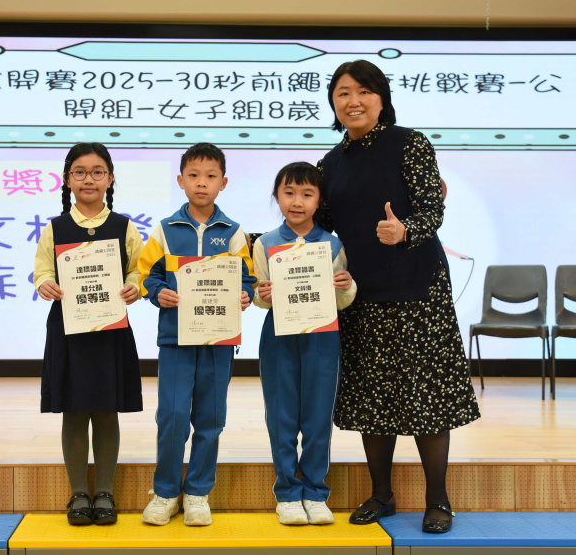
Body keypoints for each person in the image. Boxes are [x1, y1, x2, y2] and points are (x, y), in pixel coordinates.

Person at [316, 60, 480, 534]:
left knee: (426, 396)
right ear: (333, 102)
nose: (354, 101)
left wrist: (405, 229)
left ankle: (438, 500)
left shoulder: (410, 143)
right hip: (360, 293)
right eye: (343, 93)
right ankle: (381, 494)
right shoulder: (329, 164)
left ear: (382, 99)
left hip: (418, 289)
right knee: (372, 398)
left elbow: (432, 208)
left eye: (364, 91)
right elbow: (319, 226)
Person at [137, 143, 257, 526]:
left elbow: (248, 278)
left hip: (219, 340)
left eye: (210, 176)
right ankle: (165, 493)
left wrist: (245, 294)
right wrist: (158, 292)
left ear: (223, 182)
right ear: (180, 180)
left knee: (211, 418)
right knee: (172, 417)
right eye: (193, 175)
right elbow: (146, 275)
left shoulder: (234, 233)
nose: (201, 183)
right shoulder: (164, 230)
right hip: (175, 340)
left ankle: (198, 493)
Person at [33, 142, 144, 526]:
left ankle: (105, 493)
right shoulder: (55, 227)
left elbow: (139, 271)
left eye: (98, 172)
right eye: (79, 172)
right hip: (69, 330)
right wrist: (45, 284)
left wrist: (134, 286)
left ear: (110, 179)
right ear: (67, 180)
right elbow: (42, 271)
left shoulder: (124, 226)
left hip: (110, 329)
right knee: (75, 409)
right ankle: (79, 492)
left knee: (107, 409)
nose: (89, 179)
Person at [252, 162, 357, 525]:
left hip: (322, 339)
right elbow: (259, 296)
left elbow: (342, 299)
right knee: (281, 417)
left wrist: (347, 286)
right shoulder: (264, 244)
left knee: (317, 419)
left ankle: (315, 492)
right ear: (277, 197)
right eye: (289, 193)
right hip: (279, 339)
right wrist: (262, 294)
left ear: (319, 200)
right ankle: (286, 493)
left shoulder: (332, 244)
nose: (297, 202)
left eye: (307, 194)